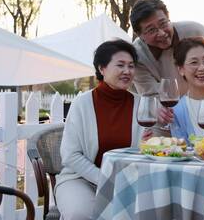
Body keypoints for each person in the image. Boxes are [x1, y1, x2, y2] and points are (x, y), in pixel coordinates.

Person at [55, 39, 146, 220]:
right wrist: (104, 179)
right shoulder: (82, 103)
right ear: (102, 68)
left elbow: (144, 152)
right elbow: (70, 155)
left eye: (131, 66)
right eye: (120, 65)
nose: (127, 71)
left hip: (128, 181)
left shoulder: (141, 104)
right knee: (80, 214)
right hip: (80, 179)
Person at [130, 0, 204, 96]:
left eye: (163, 24)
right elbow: (152, 96)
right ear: (140, 35)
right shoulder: (137, 56)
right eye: (151, 30)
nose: (162, 33)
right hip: (172, 112)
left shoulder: (195, 30)